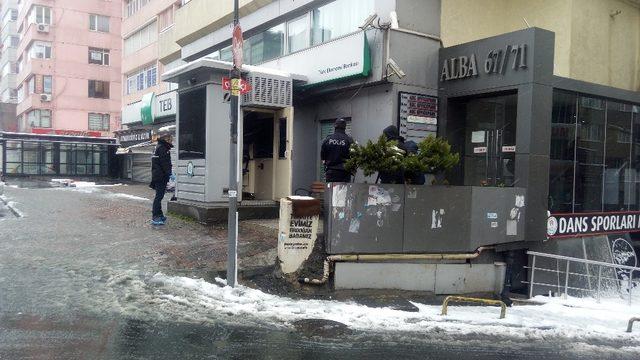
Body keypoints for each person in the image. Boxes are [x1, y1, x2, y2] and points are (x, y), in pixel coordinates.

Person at [149, 131, 173, 225]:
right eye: (171, 139)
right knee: (159, 197)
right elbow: (164, 163)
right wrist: (170, 173)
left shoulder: (159, 147)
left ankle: (159, 215)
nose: (172, 141)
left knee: (160, 196)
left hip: (158, 176)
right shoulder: (162, 148)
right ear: (167, 139)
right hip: (160, 176)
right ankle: (155, 217)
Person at [321, 118, 354, 183]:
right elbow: (354, 156)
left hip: (331, 172)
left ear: (335, 126)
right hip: (345, 172)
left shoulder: (328, 139)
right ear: (345, 127)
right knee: (343, 192)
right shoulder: (349, 140)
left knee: (331, 192)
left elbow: (323, 157)